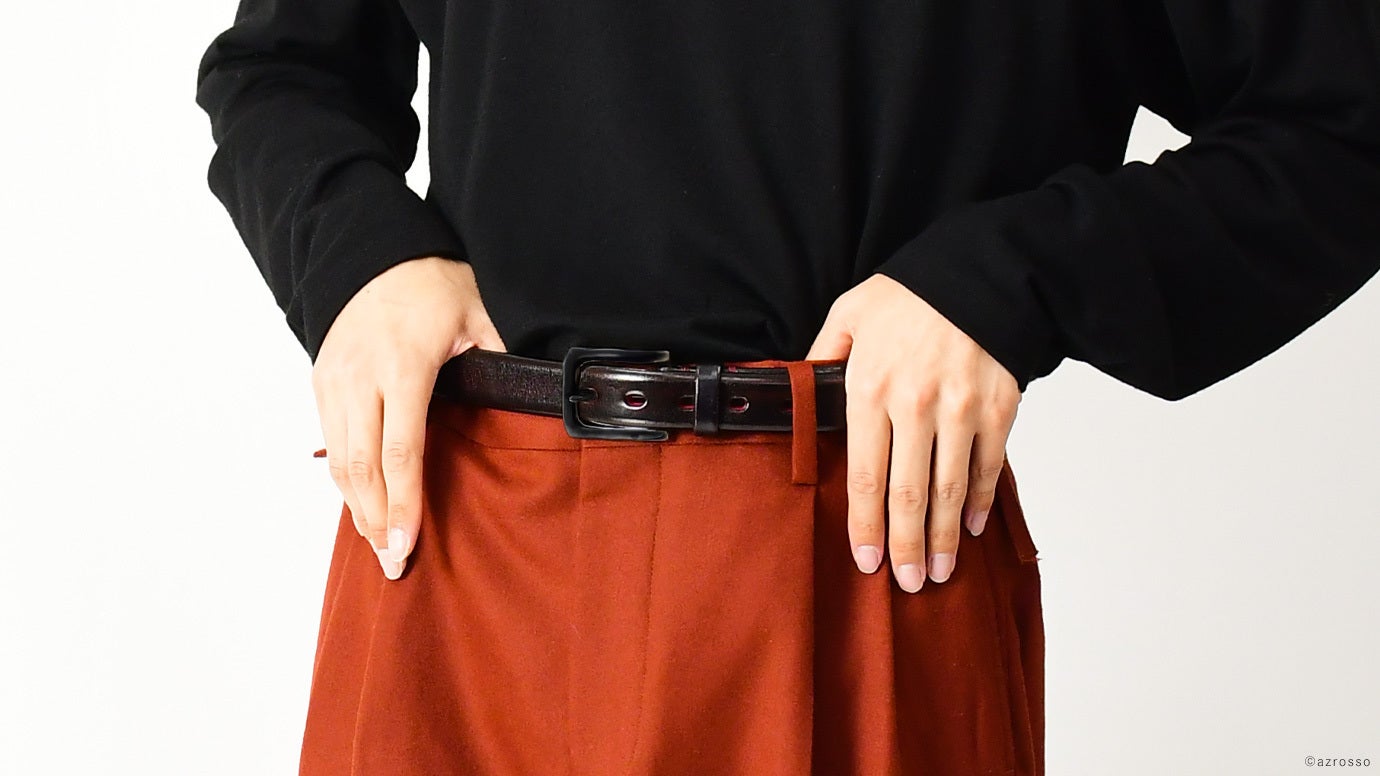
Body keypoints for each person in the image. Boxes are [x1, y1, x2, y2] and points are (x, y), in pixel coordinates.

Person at [195, 1, 1380, 773]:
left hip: (866, 544)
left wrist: (1021, 275)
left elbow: (1345, 120)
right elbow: (286, 66)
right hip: (460, 536)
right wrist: (357, 254)